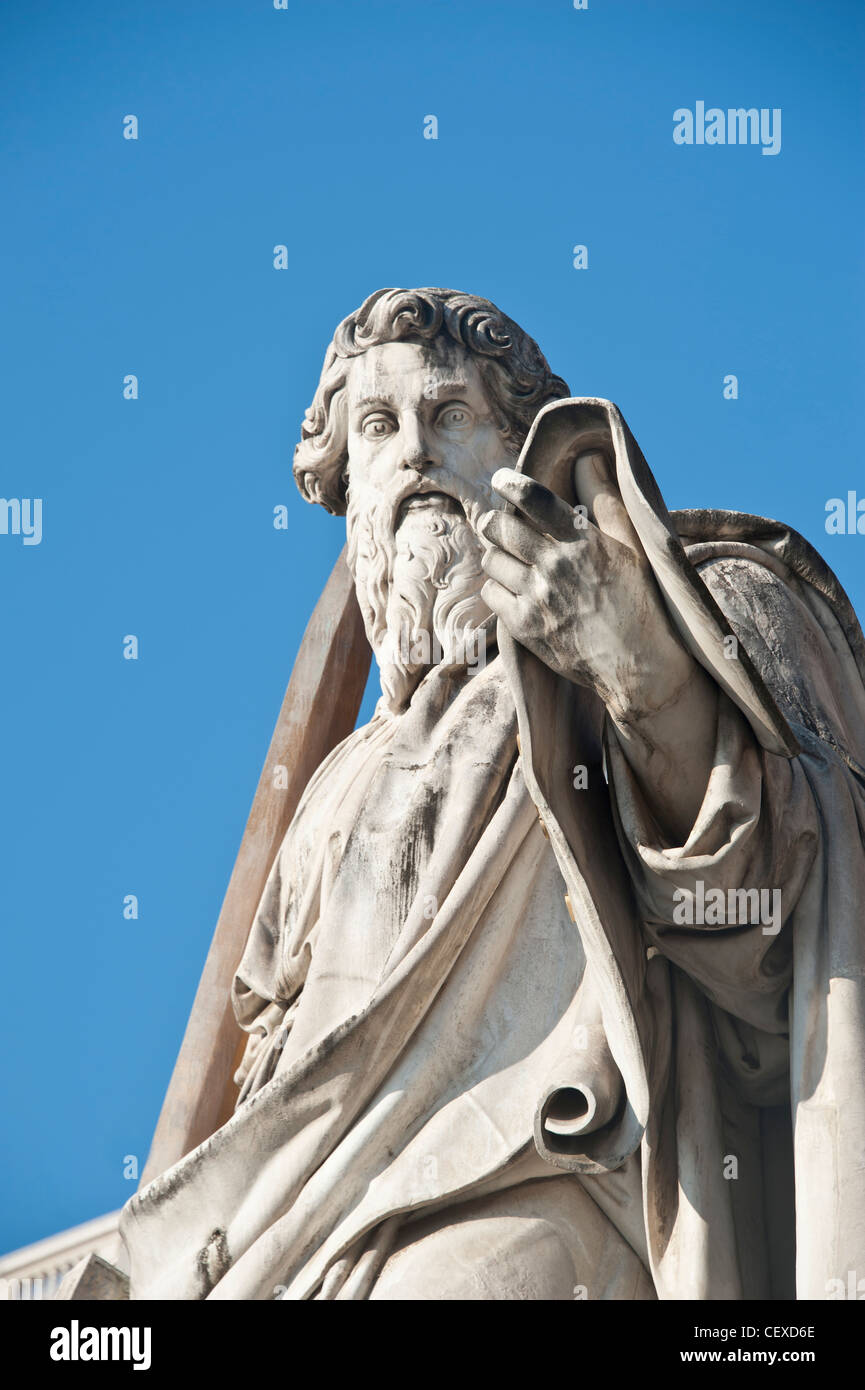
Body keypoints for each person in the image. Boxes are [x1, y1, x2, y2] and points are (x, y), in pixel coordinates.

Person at [120, 288, 865, 1300]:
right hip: (293, 1241)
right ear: (350, 495)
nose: (416, 451)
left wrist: (641, 671)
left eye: (452, 415)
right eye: (379, 427)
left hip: (528, 1181)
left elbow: (780, 925)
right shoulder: (337, 783)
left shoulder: (665, 610)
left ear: (522, 451)